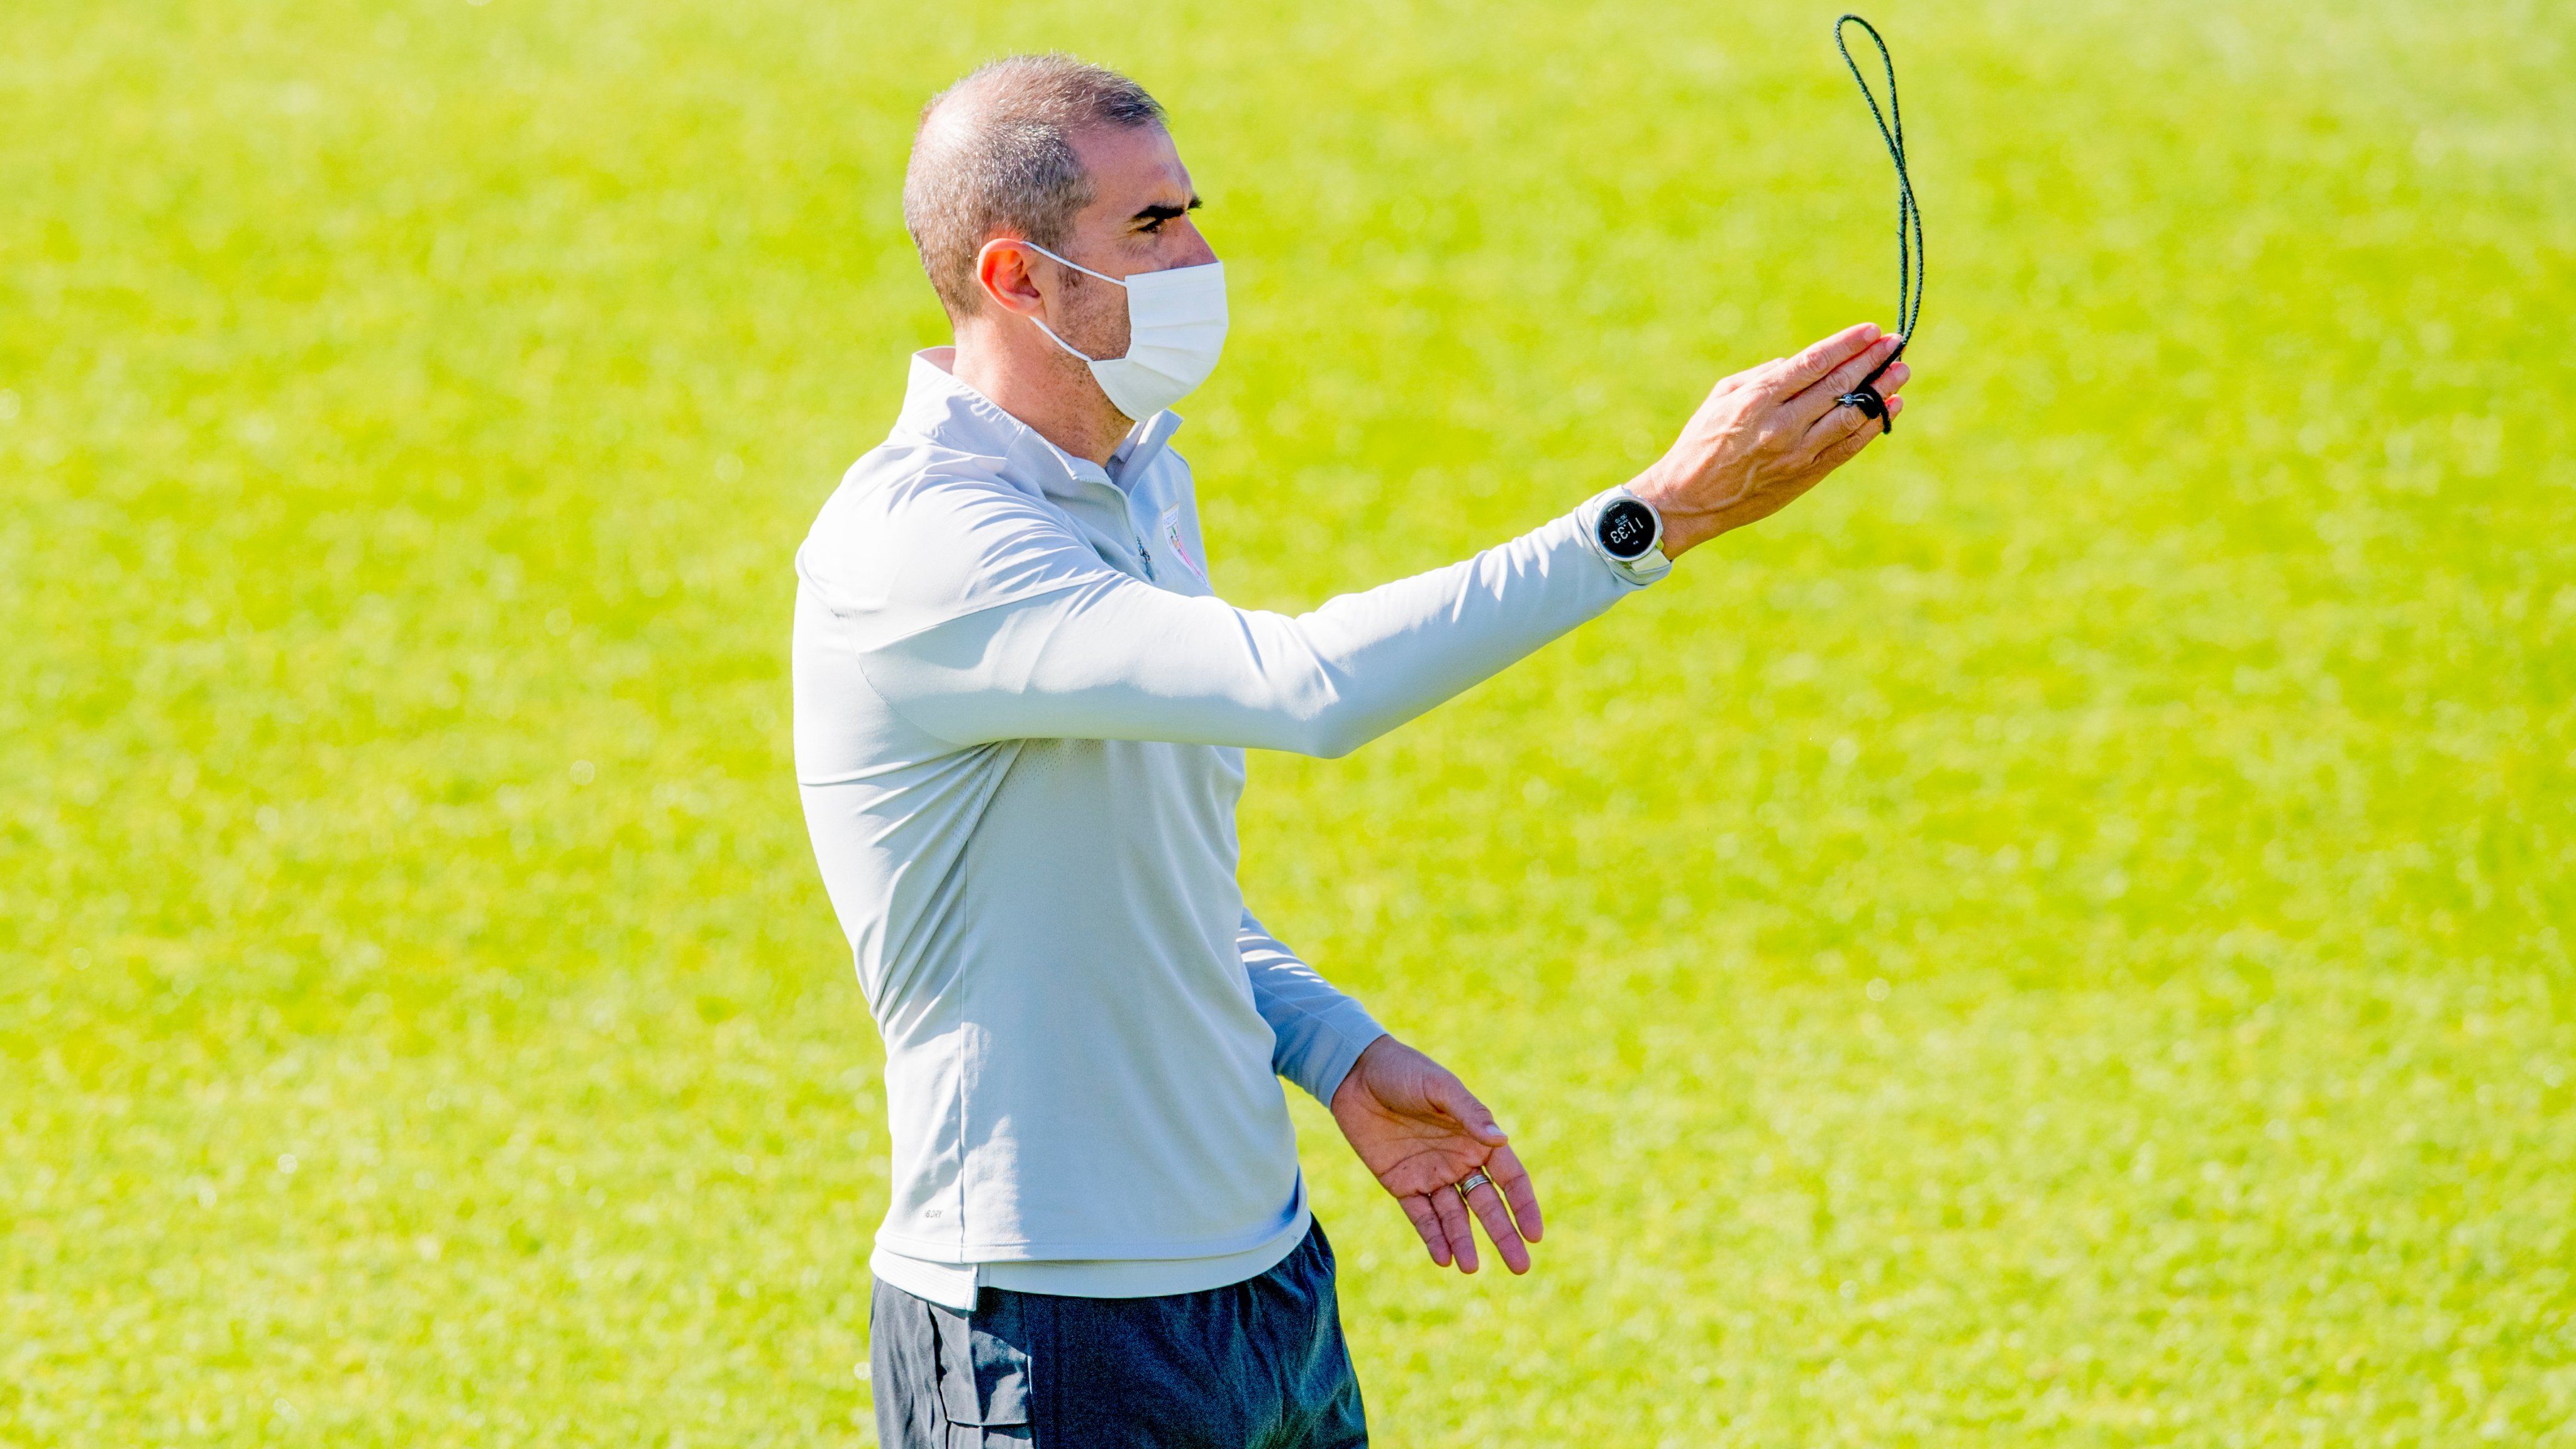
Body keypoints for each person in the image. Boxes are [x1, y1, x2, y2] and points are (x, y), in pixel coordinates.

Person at [792, 53, 1909, 1449]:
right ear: (1015, 278)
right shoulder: (925, 546)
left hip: (1265, 1296)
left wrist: (1327, 1045)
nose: (1203, 255)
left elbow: (1135, 875)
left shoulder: (1133, 482)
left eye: (1192, 209)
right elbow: (1305, 685)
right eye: (1152, 228)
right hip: (1044, 1336)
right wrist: (1654, 519)